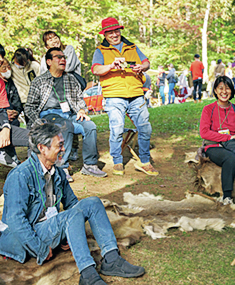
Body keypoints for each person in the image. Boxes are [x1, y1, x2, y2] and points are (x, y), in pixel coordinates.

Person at [0, 122, 146, 285]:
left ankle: (111, 259)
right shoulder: (20, 175)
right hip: (21, 236)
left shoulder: (57, 172)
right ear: (42, 148)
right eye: (60, 145)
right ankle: (88, 274)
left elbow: (72, 204)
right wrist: (39, 249)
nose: (64, 149)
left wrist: (70, 232)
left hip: (47, 226)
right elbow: (15, 220)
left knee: (93, 203)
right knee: (71, 216)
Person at [25, 47, 107, 182]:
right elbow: (29, 107)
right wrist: (38, 122)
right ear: (49, 62)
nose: (63, 59)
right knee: (65, 125)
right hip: (48, 115)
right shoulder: (39, 81)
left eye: (64, 57)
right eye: (58, 57)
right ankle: (61, 167)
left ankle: (90, 164)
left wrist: (82, 110)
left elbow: (80, 101)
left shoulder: (70, 79)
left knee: (89, 125)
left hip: (69, 114)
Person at [91, 17, 157, 177]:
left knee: (145, 127)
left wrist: (143, 67)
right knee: (117, 128)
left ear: (119, 30)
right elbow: (96, 70)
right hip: (114, 95)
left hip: (136, 93)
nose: (114, 34)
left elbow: (146, 62)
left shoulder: (132, 46)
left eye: (116, 31)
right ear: (105, 35)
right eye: (110, 32)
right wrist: (111, 66)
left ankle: (144, 161)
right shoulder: (100, 50)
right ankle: (117, 160)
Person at [199, 76, 235, 205]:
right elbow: (204, 132)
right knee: (230, 159)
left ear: (232, 90)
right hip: (215, 146)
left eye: (228, 88)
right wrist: (228, 137)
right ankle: (227, 196)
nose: (224, 91)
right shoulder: (208, 109)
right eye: (220, 88)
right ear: (215, 90)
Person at [40, 31, 83, 162]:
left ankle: (74, 148)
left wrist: (53, 68)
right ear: (46, 45)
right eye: (50, 40)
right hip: (56, 93)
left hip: (71, 90)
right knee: (63, 121)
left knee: (74, 116)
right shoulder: (44, 58)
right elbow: (42, 75)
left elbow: (67, 67)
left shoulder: (68, 50)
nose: (54, 41)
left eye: (55, 37)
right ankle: (61, 149)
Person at [0, 58, 24, 127]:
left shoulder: (11, 82)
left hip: (11, 118)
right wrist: (4, 113)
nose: (7, 70)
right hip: (2, 115)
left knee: (15, 123)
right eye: (4, 68)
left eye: (9, 67)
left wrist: (16, 112)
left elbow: (16, 100)